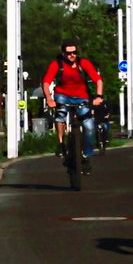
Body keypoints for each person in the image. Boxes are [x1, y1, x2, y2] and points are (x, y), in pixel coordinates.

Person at [43, 40, 104, 172]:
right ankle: (61, 143)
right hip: (63, 95)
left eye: (74, 52)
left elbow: (98, 80)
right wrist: (49, 98)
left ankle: (86, 156)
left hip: (82, 98)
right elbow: (46, 82)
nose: (72, 55)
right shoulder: (56, 65)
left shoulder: (84, 64)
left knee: (89, 126)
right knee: (61, 114)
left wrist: (98, 97)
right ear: (63, 53)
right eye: (69, 53)